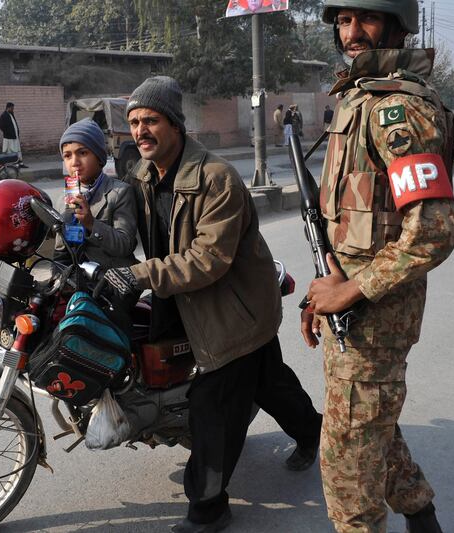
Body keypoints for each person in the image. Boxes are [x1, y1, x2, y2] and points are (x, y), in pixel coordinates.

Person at [105, 76, 322, 533]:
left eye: (151, 121)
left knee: (214, 407)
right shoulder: (142, 175)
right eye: (134, 122)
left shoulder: (216, 178)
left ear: (176, 125)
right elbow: (124, 230)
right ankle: (313, 432)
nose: (141, 131)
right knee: (269, 382)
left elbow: (209, 259)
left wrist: (140, 276)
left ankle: (208, 509)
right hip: (187, 300)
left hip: (233, 308)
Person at [302, 1, 454, 531]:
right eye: (343, 22)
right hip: (350, 308)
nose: (351, 32)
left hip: (375, 314)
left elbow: (433, 231)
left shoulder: (396, 109)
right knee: (370, 423)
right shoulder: (360, 97)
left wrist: (348, 293)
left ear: (397, 25)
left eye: (364, 19)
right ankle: (420, 511)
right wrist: (323, 292)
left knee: (347, 462)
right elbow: (350, 220)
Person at [53, 118, 139, 333]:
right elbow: (61, 252)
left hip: (112, 286)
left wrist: (91, 223)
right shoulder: (64, 198)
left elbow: (125, 244)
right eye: (67, 155)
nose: (74, 162)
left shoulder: (119, 193)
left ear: (99, 158)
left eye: (82, 153)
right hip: (77, 283)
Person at [0, 102, 27, 167]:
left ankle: (20, 163)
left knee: (17, 151)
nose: (13, 109)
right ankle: (13, 164)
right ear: (8, 108)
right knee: (11, 152)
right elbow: (2, 127)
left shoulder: (11, 114)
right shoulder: (3, 115)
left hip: (15, 137)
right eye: (12, 108)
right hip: (9, 138)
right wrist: (9, 133)